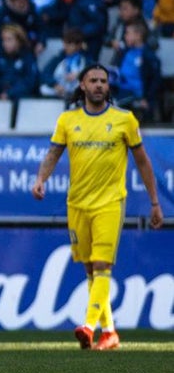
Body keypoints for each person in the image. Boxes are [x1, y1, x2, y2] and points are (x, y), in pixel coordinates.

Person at [31, 64, 163, 352]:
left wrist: (154, 202)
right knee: (91, 269)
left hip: (110, 203)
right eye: (93, 80)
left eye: (103, 81)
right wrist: (41, 179)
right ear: (82, 85)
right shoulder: (68, 120)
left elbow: (142, 161)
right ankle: (110, 333)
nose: (99, 85)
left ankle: (89, 326)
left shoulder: (124, 120)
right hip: (77, 203)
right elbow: (54, 152)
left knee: (103, 265)